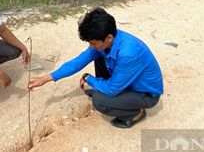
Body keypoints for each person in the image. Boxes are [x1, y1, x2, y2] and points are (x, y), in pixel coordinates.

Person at [27, 7, 163, 128]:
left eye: (93, 43)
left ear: (109, 37)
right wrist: (45, 79)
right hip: (127, 82)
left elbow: (112, 89)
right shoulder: (108, 38)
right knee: (98, 56)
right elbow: (78, 62)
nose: (91, 46)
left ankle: (134, 113)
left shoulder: (128, 53)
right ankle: (107, 92)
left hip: (145, 94)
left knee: (99, 101)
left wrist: (89, 79)